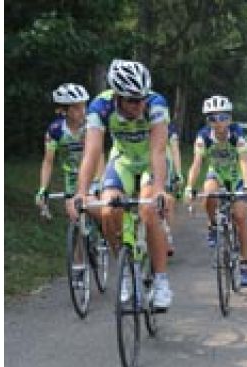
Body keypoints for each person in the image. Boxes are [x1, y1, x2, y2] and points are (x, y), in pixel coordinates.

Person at [68, 59, 173, 309]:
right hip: (123, 161)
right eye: (133, 100)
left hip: (150, 162)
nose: (140, 105)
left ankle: (161, 281)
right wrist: (81, 192)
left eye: (142, 98)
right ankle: (126, 270)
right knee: (108, 211)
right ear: (117, 96)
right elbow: (92, 151)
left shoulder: (156, 104)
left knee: (149, 210)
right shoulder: (100, 107)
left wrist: (159, 189)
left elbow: (158, 150)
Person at [184, 95, 247, 287]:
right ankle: (213, 225)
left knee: (240, 217)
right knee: (208, 195)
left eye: (223, 117)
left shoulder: (237, 134)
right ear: (208, 121)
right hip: (216, 174)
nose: (218, 122)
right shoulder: (204, 137)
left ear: (230, 119)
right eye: (212, 118)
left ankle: (245, 263)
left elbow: (244, 160)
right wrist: (190, 186)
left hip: (235, 176)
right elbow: (197, 163)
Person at [36, 83, 104, 217]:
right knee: (74, 215)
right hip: (72, 179)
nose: (83, 111)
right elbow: (48, 162)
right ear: (63, 110)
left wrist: (99, 181)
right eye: (76, 108)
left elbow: (99, 155)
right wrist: (43, 189)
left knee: (100, 214)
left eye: (84, 106)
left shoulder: (91, 125)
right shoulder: (55, 130)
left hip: (93, 176)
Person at [164, 120, 183, 256]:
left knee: (166, 199)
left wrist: (178, 172)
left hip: (164, 165)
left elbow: (175, 150)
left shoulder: (168, 126)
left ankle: (167, 235)